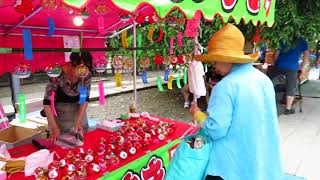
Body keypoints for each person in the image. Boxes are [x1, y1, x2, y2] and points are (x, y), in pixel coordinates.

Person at [190, 24, 283, 180]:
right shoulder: (263, 79)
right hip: (259, 160)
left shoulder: (226, 86)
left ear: (228, 60)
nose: (214, 66)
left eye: (216, 61)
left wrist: (197, 114)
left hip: (229, 166)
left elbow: (216, 129)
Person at [43, 52, 93, 142]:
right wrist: (55, 128)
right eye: (80, 71)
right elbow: (47, 103)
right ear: (71, 65)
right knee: (60, 144)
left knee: (81, 143)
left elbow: (84, 99)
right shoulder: (57, 74)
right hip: (59, 116)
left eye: (85, 72)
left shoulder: (86, 74)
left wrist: (78, 122)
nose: (82, 76)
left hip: (79, 113)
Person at [268, 38, 309, 115]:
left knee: (269, 82)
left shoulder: (283, 39)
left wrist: (275, 63)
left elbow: (276, 53)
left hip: (279, 65)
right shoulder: (303, 41)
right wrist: (301, 68)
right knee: (291, 86)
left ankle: (265, 102)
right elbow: (306, 56)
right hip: (292, 67)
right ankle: (288, 109)